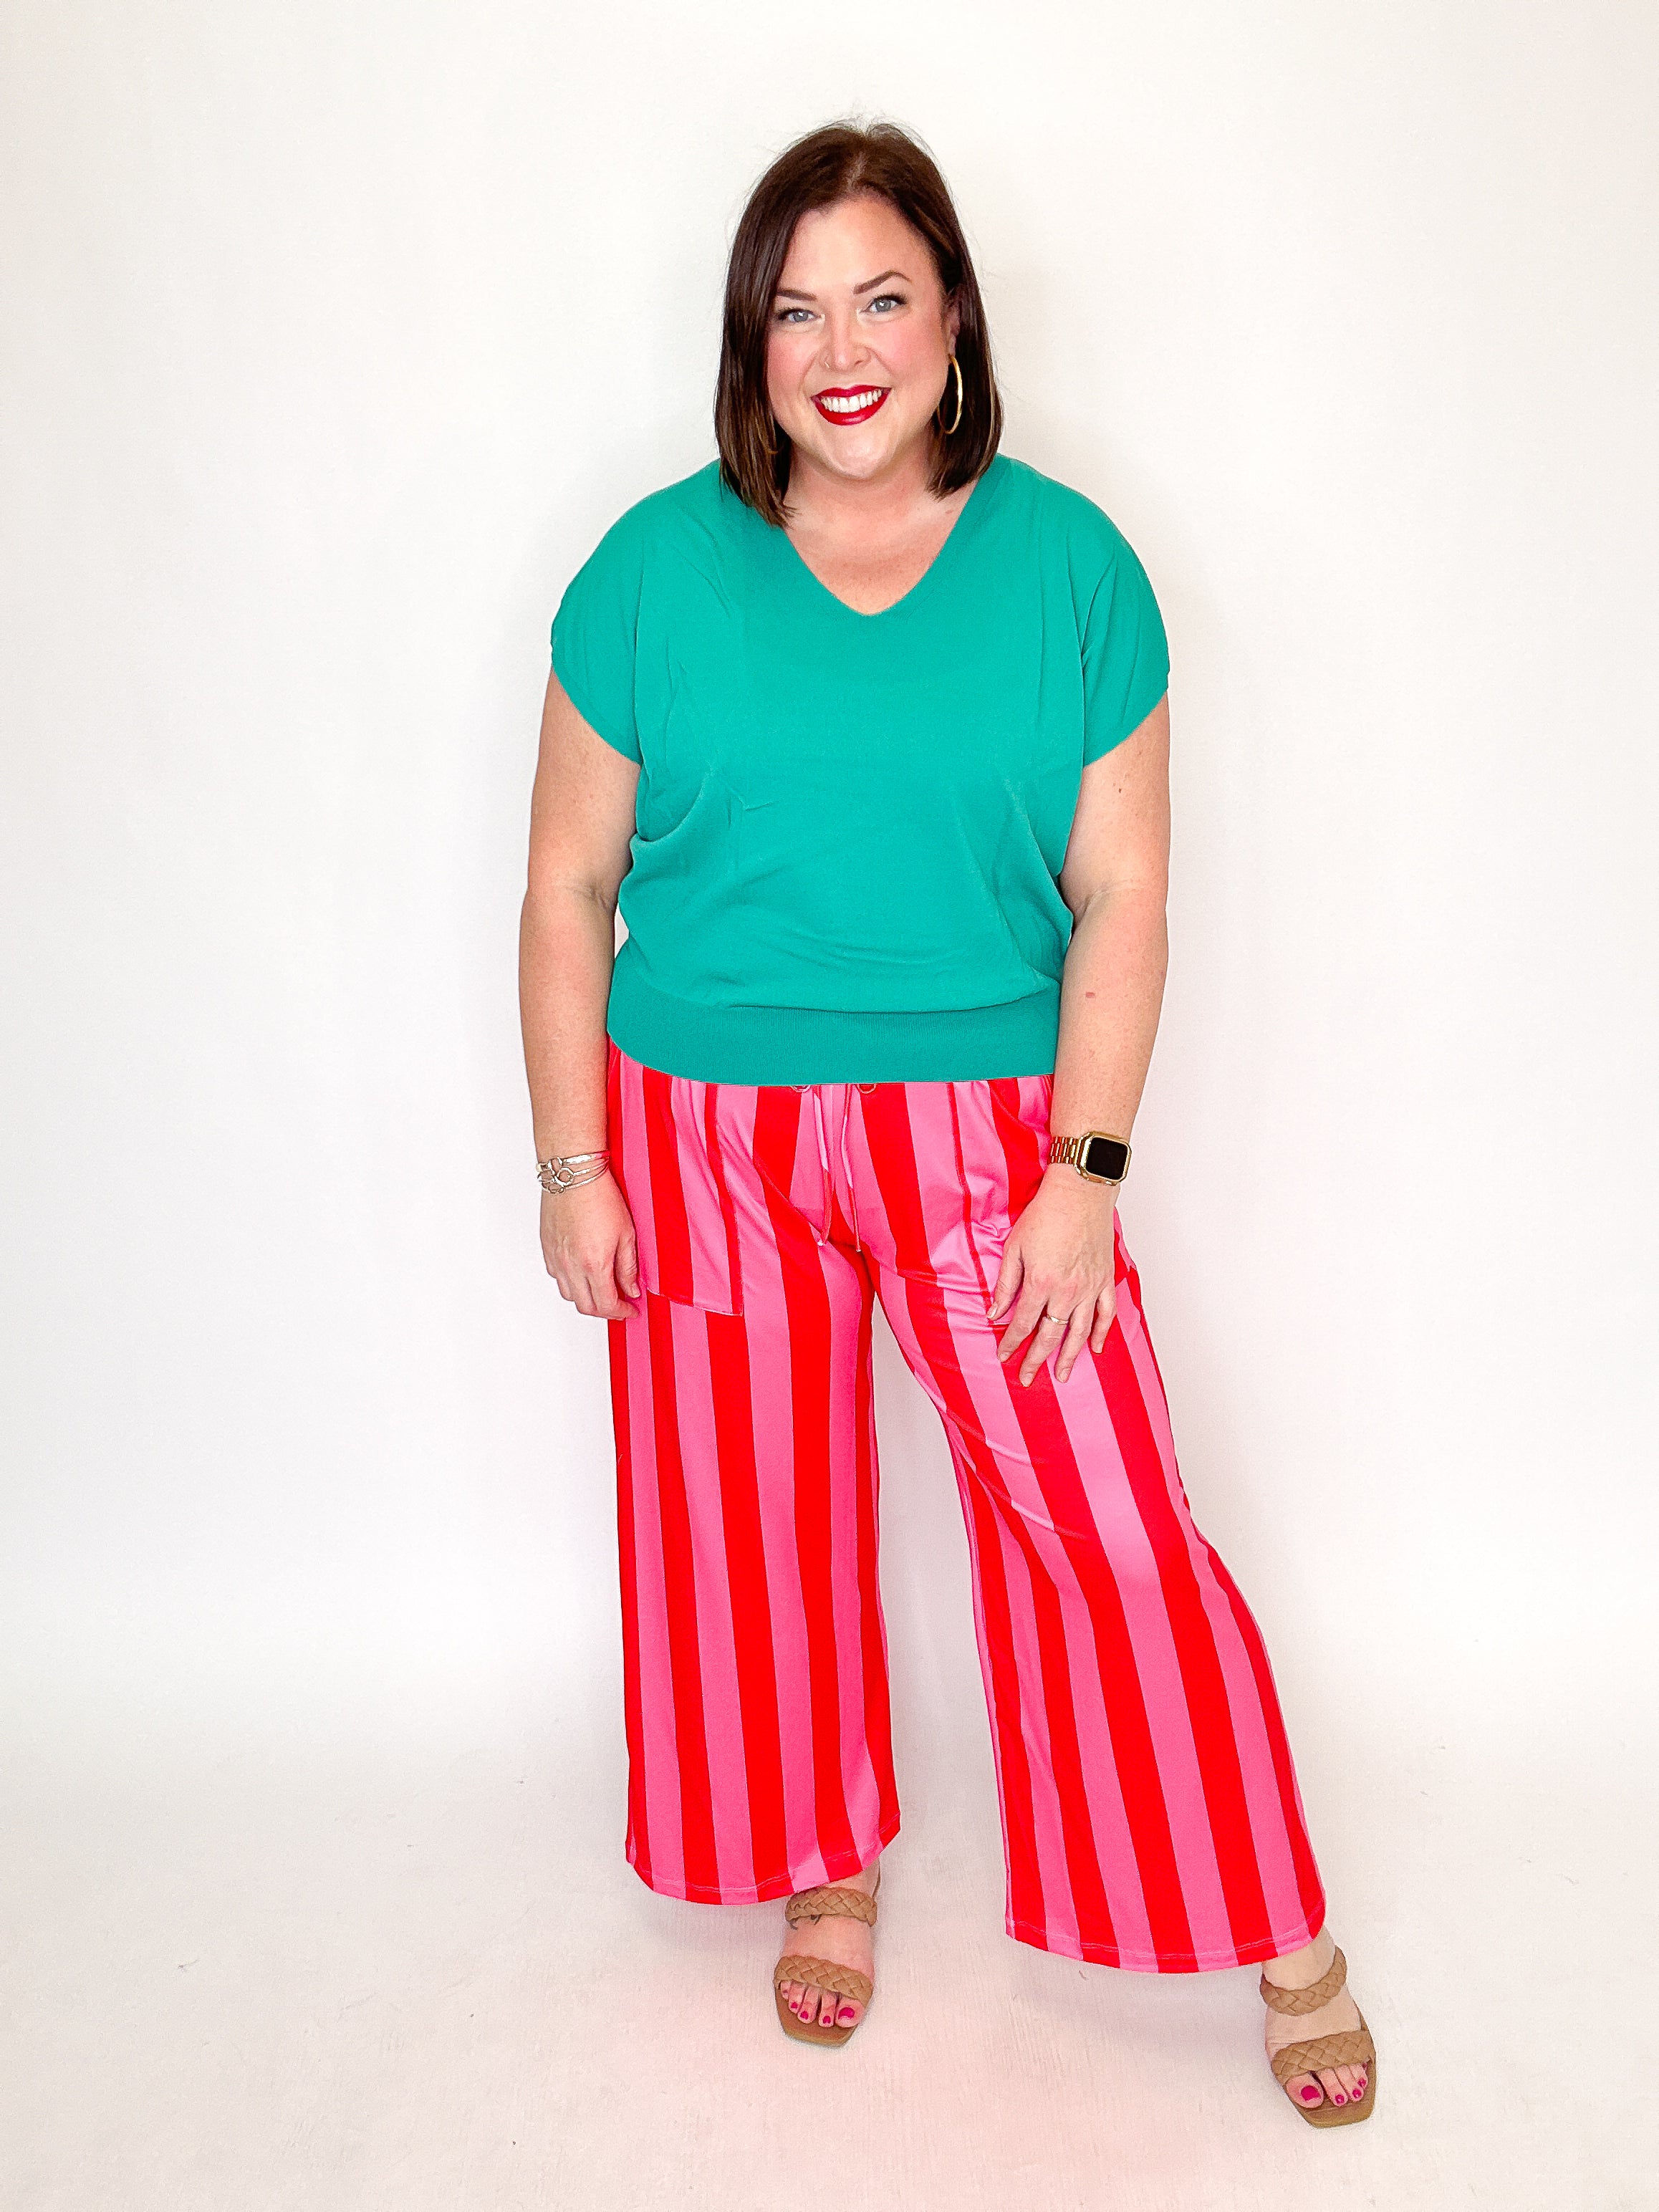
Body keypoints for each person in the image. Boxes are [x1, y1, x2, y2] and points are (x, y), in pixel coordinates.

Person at [519, 118, 1375, 2124]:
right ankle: (821, 1862)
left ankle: (1277, 1929)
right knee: (747, 1535)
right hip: (700, 1131)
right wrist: (572, 1162)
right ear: (750, 341)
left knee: (1106, 1524)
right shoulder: (648, 570)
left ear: (954, 315)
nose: (842, 350)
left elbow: (1125, 893)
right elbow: (565, 885)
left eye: (882, 297)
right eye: (797, 309)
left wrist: (1083, 1173)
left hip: (991, 1136)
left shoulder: (1071, 566)